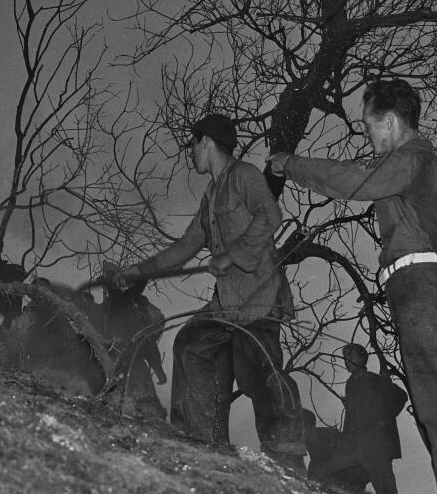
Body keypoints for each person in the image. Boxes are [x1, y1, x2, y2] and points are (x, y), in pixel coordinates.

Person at [268, 78, 437, 494]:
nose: (369, 136)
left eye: (370, 126)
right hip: (425, 286)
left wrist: (290, 164)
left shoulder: (411, 159)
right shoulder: (429, 171)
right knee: (436, 397)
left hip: (423, 285)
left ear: (391, 122)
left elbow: (355, 181)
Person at [116, 114, 301, 458]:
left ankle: (287, 456)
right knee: (190, 343)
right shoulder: (212, 195)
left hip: (259, 297)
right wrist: (139, 270)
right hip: (227, 303)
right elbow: (185, 246)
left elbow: (271, 216)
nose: (190, 152)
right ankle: (194, 438)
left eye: (192, 144)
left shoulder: (244, 175)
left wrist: (230, 255)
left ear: (207, 142)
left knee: (259, 376)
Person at [330, 343, 407, 494]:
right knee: (345, 481)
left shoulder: (374, 379)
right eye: (345, 357)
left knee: (385, 489)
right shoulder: (350, 384)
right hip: (357, 444)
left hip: (377, 444)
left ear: (363, 358)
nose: (347, 361)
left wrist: (384, 420)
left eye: (351, 356)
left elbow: (400, 396)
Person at [98, 263, 168, 422]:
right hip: (112, 365)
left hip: (132, 364)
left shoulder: (132, 306)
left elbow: (146, 341)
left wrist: (158, 369)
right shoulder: (103, 310)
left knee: (145, 408)